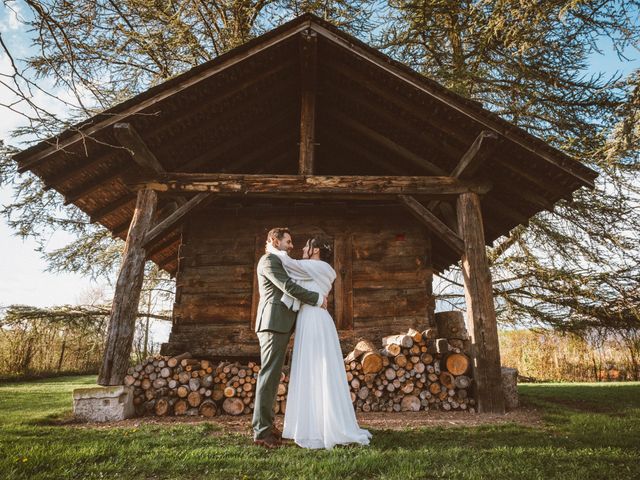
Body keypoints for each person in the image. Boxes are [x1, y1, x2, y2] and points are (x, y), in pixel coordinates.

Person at [277, 235, 372, 450]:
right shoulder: (312, 266)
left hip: (315, 321)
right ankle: (313, 425)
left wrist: (274, 248)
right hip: (309, 319)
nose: (303, 248)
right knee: (309, 370)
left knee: (318, 370)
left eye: (307, 246)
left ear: (316, 250)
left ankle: (325, 427)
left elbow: (288, 265)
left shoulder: (321, 268)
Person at [252, 227, 328, 449]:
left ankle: (267, 426)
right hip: (272, 323)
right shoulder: (269, 261)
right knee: (268, 375)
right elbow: (287, 286)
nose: (292, 245)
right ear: (275, 241)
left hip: (281, 324)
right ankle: (261, 432)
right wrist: (316, 298)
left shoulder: (281, 261)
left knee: (274, 376)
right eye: (288, 241)